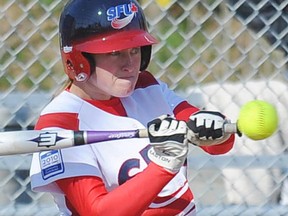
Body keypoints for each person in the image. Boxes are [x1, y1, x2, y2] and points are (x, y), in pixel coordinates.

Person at [29, 0, 235, 215]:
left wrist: (217, 129)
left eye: (135, 50)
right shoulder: (60, 121)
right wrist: (163, 165)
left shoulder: (147, 86)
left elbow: (218, 146)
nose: (129, 64)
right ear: (79, 59)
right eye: (114, 53)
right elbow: (98, 212)